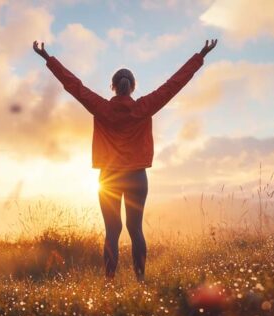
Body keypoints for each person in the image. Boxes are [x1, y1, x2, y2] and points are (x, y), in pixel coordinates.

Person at [33, 38, 218, 281]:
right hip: (137, 176)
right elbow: (174, 84)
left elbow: (74, 85)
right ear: (132, 87)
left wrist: (48, 58)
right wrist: (200, 55)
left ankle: (109, 281)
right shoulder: (144, 107)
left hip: (108, 177)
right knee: (135, 229)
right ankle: (140, 279)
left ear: (113, 86)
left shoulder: (101, 107)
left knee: (112, 231)